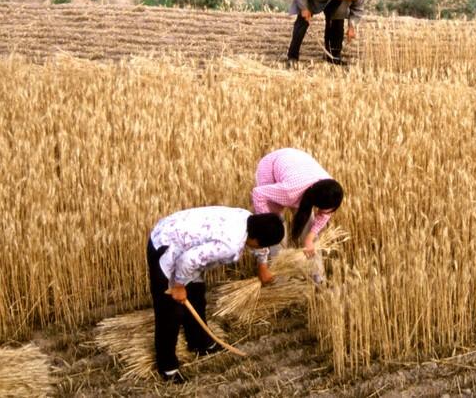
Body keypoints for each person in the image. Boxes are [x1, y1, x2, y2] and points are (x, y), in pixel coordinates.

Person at [147, 206, 284, 382]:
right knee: (170, 310)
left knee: (196, 295)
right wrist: (179, 285)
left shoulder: (249, 220)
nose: (262, 247)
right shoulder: (231, 244)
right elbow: (188, 260)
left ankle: (200, 343)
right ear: (256, 240)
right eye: (264, 244)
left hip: (183, 242)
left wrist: (262, 265)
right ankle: (167, 367)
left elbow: (259, 244)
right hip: (165, 243)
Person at [250, 148, 344, 283]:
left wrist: (309, 239)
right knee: (276, 229)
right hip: (271, 169)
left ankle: (318, 277)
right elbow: (258, 193)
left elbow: (326, 214)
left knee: (311, 236)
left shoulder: (330, 189)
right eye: (323, 210)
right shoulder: (289, 191)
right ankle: (280, 279)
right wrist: (268, 221)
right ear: (315, 203)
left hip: (298, 168)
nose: (325, 214)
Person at [287, 0, 364, 65]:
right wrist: (304, 8)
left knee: (337, 22)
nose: (349, 2)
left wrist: (352, 26)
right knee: (302, 22)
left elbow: (357, 9)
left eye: (350, 0)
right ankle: (292, 57)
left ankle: (333, 56)